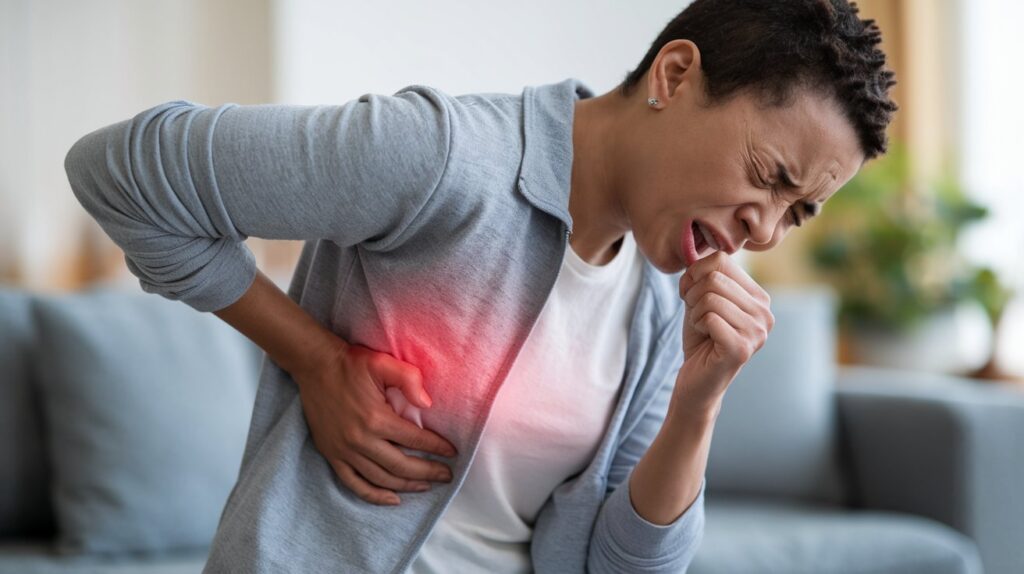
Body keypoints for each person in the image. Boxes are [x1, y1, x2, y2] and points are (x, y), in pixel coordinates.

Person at [63, 0, 896, 571]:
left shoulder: (652, 304)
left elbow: (615, 565)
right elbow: (123, 172)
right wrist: (316, 361)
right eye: (767, 175)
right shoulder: (445, 158)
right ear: (674, 76)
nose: (764, 228)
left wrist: (699, 401)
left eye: (800, 213)